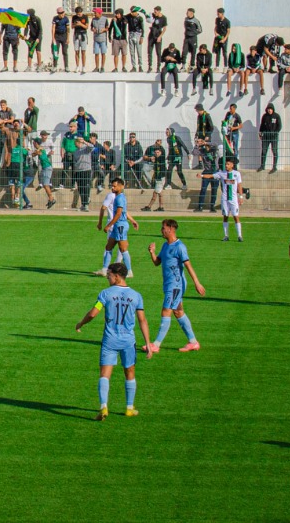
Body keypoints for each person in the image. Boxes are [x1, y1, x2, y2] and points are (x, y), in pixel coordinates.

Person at [76, 263, 156, 421]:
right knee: (130, 372)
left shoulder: (105, 294)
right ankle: (129, 408)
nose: (107, 278)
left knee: (105, 374)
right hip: (128, 341)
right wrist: (148, 343)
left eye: (109, 276)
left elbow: (93, 314)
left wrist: (81, 323)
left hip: (110, 340)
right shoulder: (136, 296)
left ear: (117, 277)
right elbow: (142, 320)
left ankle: (103, 406)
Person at [146, 219, 206, 353]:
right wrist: (152, 252)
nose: (161, 230)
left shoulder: (180, 247)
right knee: (178, 312)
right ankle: (193, 342)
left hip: (176, 285)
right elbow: (157, 262)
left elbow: (188, 265)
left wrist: (197, 283)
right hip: (169, 284)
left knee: (166, 311)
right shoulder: (165, 245)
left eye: (163, 228)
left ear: (171, 229)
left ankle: (156, 344)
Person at [95, 177, 138, 277]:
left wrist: (108, 225)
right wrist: (132, 220)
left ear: (121, 186)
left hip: (120, 226)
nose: (112, 188)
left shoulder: (119, 198)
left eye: (114, 186)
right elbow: (123, 212)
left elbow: (119, 213)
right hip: (117, 226)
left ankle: (129, 271)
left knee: (123, 249)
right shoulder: (118, 197)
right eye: (112, 186)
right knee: (108, 247)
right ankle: (104, 270)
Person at [202, 158, 244, 242]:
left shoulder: (237, 174)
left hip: (233, 199)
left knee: (236, 217)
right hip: (224, 199)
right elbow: (211, 175)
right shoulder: (222, 173)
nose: (226, 166)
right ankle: (226, 236)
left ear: (232, 165)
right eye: (226, 164)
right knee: (225, 216)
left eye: (228, 164)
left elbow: (239, 185)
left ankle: (239, 236)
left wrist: (241, 197)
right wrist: (202, 176)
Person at [258, 103, 281, 172]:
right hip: (266, 136)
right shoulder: (264, 116)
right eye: (268, 109)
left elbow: (279, 126)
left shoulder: (276, 116)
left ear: (273, 109)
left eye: (270, 109)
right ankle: (262, 166)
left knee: (274, 151)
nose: (269, 110)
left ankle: (274, 167)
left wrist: (275, 132)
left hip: (274, 137)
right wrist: (260, 133)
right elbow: (262, 125)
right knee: (264, 151)